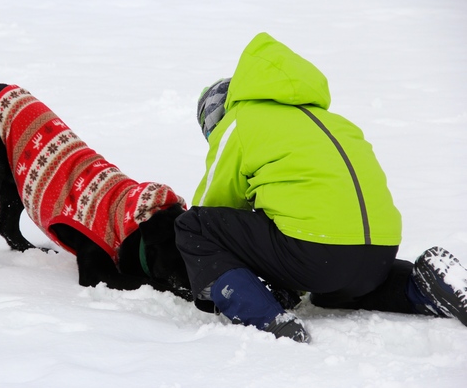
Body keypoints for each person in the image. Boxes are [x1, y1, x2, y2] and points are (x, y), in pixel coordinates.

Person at [174, 32, 467, 343]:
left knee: (194, 226)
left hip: (316, 253)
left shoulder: (241, 121)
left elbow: (215, 206)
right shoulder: (331, 120)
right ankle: (419, 285)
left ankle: (264, 316)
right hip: (378, 252)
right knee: (331, 291)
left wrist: (208, 269)